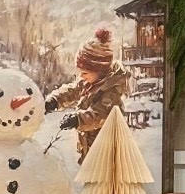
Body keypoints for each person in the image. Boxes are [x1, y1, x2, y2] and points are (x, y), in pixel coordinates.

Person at [46, 27, 131, 166]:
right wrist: (55, 100)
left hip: (107, 151)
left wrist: (77, 119)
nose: (81, 76)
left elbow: (99, 115)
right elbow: (72, 90)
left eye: (85, 72)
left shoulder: (111, 92)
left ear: (100, 71)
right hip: (90, 147)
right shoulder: (88, 82)